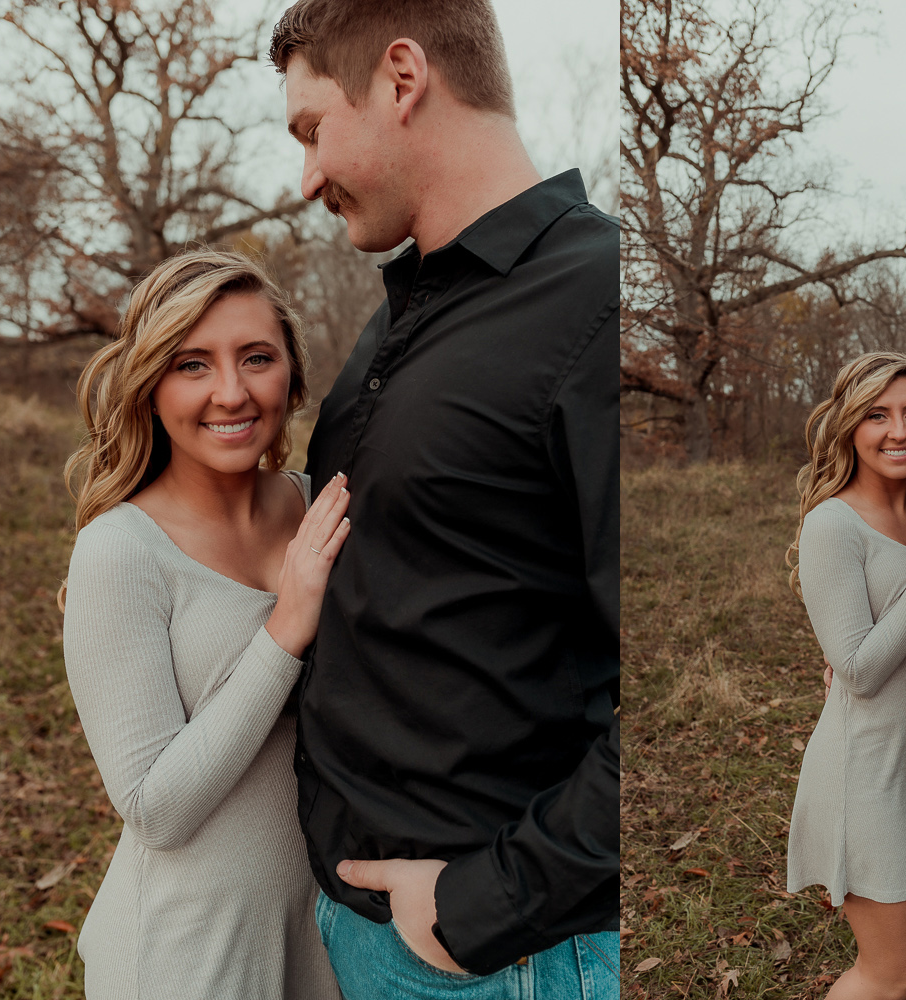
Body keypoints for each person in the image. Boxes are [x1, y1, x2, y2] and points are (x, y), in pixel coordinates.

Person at [266, 1, 620, 995]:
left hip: (493, 954)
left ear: (402, 76)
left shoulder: (596, 302)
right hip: (357, 931)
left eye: (311, 130)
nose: (305, 178)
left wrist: (483, 906)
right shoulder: (401, 317)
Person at [60, 249, 349, 999]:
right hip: (188, 961)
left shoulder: (322, 507)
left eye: (256, 357)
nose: (232, 392)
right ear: (151, 385)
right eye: (192, 364)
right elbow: (155, 808)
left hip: (323, 942)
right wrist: (285, 629)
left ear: (292, 373)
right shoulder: (119, 551)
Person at [785, 352, 906, 1000]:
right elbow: (860, 670)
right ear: (849, 425)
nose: (898, 431)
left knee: (900, 968)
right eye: (877, 414)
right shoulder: (831, 525)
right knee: (892, 972)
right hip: (866, 770)